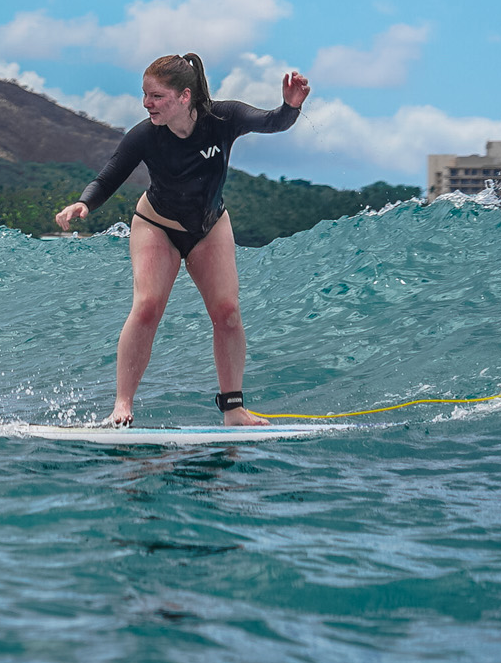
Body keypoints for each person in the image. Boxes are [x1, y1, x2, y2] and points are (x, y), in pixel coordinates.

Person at [54, 53, 310, 427]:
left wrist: (290, 107)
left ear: (184, 96)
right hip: (157, 225)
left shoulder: (224, 119)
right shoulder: (145, 135)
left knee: (227, 313)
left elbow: (272, 122)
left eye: (156, 96)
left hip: (209, 225)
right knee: (147, 307)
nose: (147, 104)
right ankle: (122, 405)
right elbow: (110, 175)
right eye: (145, 95)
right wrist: (84, 202)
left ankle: (234, 409)